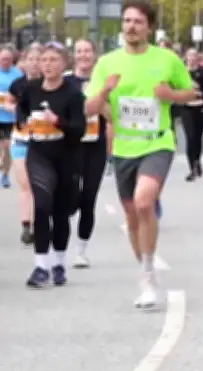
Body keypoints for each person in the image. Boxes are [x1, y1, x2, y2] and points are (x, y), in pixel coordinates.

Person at [85, 0, 195, 308]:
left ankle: (148, 278)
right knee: (132, 216)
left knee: (145, 201)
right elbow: (89, 109)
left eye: (137, 21)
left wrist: (170, 95)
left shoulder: (166, 59)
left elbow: (190, 92)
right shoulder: (107, 63)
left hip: (157, 141)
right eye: (127, 21)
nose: (131, 26)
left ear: (149, 27)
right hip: (124, 146)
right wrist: (105, 91)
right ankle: (145, 272)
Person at [19, 42, 86, 287]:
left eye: (53, 60)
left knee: (60, 212)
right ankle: (40, 267)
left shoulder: (73, 95)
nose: (47, 64)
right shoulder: (32, 89)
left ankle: (58, 263)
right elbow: (22, 109)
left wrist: (57, 121)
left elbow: (78, 130)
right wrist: (23, 123)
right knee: (42, 205)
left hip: (66, 156)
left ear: (64, 64)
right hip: (39, 154)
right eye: (44, 60)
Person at [65, 39, 109, 269]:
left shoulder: (101, 81)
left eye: (87, 51)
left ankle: (81, 251)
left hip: (95, 145)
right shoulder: (66, 81)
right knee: (71, 197)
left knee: (89, 197)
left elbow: (112, 116)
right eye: (79, 51)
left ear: (94, 55)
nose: (83, 55)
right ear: (74, 55)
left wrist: (100, 100)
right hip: (71, 145)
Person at [7, 46, 40, 246]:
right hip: (21, 139)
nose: (35, 63)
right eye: (31, 59)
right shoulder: (17, 84)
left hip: (43, 142)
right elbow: (8, 102)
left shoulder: (50, 84)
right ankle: (26, 226)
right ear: (24, 61)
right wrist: (16, 109)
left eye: (39, 59)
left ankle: (39, 225)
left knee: (40, 187)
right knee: (25, 184)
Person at [182, 47, 203, 181]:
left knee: (198, 138)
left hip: (200, 107)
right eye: (190, 55)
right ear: (186, 57)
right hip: (186, 107)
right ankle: (192, 168)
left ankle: (197, 160)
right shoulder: (181, 72)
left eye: (195, 56)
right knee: (190, 138)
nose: (192, 58)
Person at [0, 46, 23, 188]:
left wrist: (14, 102)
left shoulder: (17, 74)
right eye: (2, 59)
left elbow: (22, 93)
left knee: (8, 149)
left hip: (10, 118)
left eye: (8, 59)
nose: (5, 62)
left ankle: (5, 175)